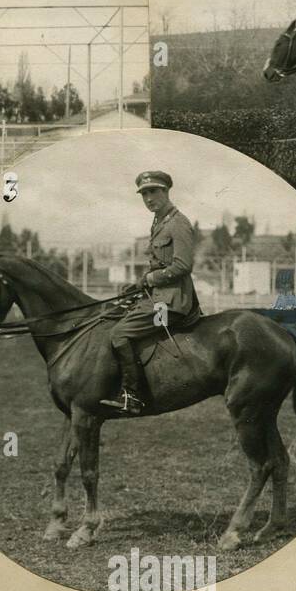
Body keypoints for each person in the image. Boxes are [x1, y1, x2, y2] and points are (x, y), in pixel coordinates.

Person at [99, 171, 199, 417]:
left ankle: (132, 395)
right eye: (144, 193)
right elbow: (157, 264)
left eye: (154, 191)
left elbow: (183, 265)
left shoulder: (178, 223)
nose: (149, 198)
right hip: (157, 296)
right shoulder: (159, 222)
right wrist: (137, 285)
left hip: (172, 301)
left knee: (120, 334)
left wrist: (149, 279)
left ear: (166, 192)